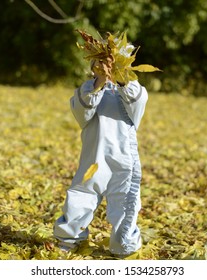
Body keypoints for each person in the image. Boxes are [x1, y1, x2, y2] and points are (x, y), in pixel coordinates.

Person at [53, 55, 148, 256]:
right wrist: (100, 82)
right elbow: (82, 112)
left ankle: (123, 245)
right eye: (103, 65)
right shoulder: (88, 91)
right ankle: (69, 239)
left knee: (125, 202)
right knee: (81, 195)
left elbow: (137, 102)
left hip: (123, 161)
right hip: (93, 159)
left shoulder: (132, 90)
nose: (109, 70)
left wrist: (121, 77)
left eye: (115, 65)